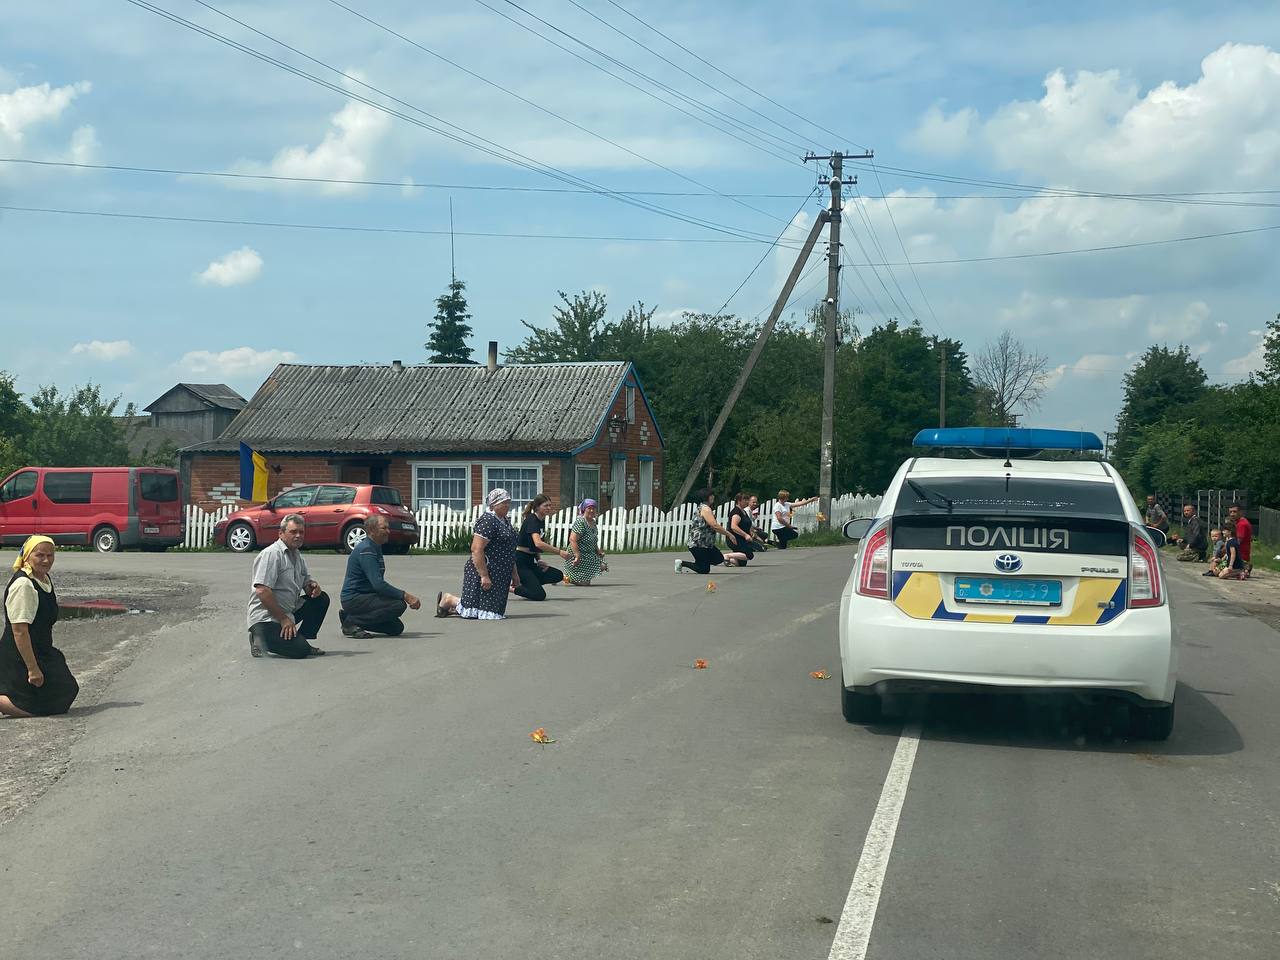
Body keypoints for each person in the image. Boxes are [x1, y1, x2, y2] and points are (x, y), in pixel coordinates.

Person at [0, 536, 79, 718]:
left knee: (66, 690)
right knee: (42, 706)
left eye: (50, 555)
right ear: (27, 556)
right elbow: (20, 631)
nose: (46, 560)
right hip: (19, 656)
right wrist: (32, 669)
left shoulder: (43, 578)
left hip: (41, 650)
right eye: (40, 555)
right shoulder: (23, 585)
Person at [247, 513, 329, 658]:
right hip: (266, 619)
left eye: (301, 532)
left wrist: (313, 587)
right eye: (293, 532)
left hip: (288, 612)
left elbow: (306, 583)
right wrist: (284, 619)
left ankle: (300, 640)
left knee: (321, 599)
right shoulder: (271, 554)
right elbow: (262, 591)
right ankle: (258, 638)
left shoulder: (297, 556)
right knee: (300, 651)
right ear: (281, 533)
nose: (298, 536)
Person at [437, 488, 519, 620]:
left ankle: (451, 603)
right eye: (504, 503)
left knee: (492, 611)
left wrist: (514, 574)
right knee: (477, 609)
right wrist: (484, 576)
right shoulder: (487, 521)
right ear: (493, 505)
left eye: (509, 502)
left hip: (501, 572)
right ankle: (449, 600)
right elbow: (476, 549)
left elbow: (509, 550)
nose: (507, 505)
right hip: (485, 569)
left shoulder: (505, 521)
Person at [339, 515, 422, 638]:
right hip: (355, 598)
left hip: (367, 596)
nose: (388, 531)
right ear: (371, 530)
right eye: (384, 528)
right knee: (398, 605)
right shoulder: (366, 550)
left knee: (396, 628)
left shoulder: (375, 547)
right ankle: (351, 622)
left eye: (388, 528)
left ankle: (352, 618)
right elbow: (378, 585)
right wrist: (406, 596)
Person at [675, 488, 748, 574]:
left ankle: (701, 562)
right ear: (705, 497)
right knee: (704, 569)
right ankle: (682, 563)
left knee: (718, 559)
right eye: (711, 495)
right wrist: (729, 534)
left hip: (706, 543)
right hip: (698, 543)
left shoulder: (705, 508)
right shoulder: (705, 509)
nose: (713, 497)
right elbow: (714, 525)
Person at [514, 494, 568, 602]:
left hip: (530, 560)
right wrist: (559, 552)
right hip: (520, 562)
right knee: (539, 595)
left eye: (550, 505)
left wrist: (539, 559)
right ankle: (512, 588)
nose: (549, 508)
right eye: (545, 505)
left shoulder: (540, 520)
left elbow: (533, 545)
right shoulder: (532, 520)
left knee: (557, 575)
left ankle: (529, 585)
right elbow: (538, 543)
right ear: (537, 507)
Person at [566, 499, 607, 586]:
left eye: (593, 508)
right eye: (589, 508)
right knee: (584, 583)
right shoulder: (581, 522)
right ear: (584, 509)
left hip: (588, 555)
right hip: (578, 555)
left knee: (603, 566)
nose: (592, 510)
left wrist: (598, 551)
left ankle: (574, 578)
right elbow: (572, 540)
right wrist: (577, 555)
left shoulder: (593, 522)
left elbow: (593, 539)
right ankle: (562, 577)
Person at [728, 492, 756, 566]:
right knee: (749, 555)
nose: (747, 502)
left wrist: (751, 532)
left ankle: (729, 560)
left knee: (742, 563)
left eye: (748, 500)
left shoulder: (743, 511)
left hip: (742, 539)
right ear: (739, 501)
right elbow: (734, 526)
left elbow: (746, 524)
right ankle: (726, 556)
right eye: (745, 500)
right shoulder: (736, 512)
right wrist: (745, 535)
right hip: (735, 539)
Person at [1228, 503, 1253, 576]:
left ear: (1240, 512)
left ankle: (1243, 568)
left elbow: (1237, 542)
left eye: (1234, 512)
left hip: (1240, 556)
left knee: (1219, 572)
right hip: (1237, 555)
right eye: (1230, 512)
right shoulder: (1237, 522)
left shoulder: (1242, 524)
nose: (1232, 514)